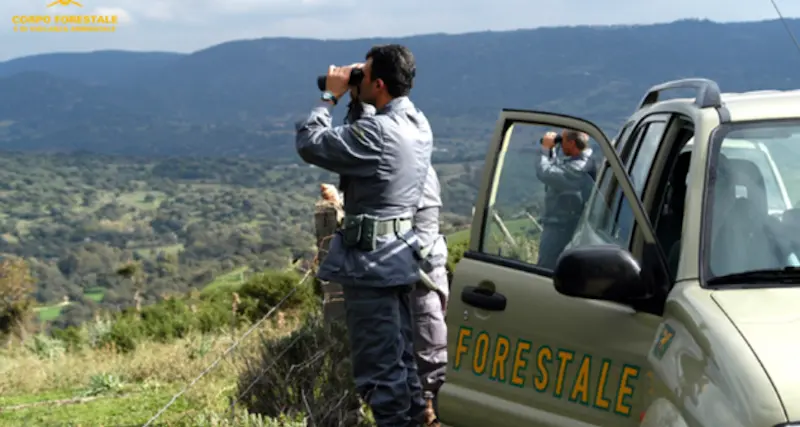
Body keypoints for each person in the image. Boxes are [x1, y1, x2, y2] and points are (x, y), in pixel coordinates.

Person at [295, 44, 433, 427]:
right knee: (402, 360)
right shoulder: (418, 124)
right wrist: (359, 100)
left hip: (371, 266)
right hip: (400, 258)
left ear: (379, 83)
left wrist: (330, 97)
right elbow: (364, 141)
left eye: (364, 73)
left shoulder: (379, 132)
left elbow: (310, 144)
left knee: (379, 372)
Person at [343, 94, 448, 426]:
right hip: (414, 259)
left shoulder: (402, 161)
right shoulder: (413, 149)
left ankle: (433, 408)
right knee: (414, 339)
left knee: (423, 336)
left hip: (417, 260)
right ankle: (426, 408)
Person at [534, 129, 597, 269]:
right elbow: (557, 169)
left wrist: (544, 149)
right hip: (566, 225)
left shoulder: (580, 168)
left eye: (562, 141)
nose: (560, 144)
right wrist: (552, 151)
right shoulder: (579, 162)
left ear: (572, 143)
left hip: (561, 228)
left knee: (545, 269)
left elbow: (546, 173)